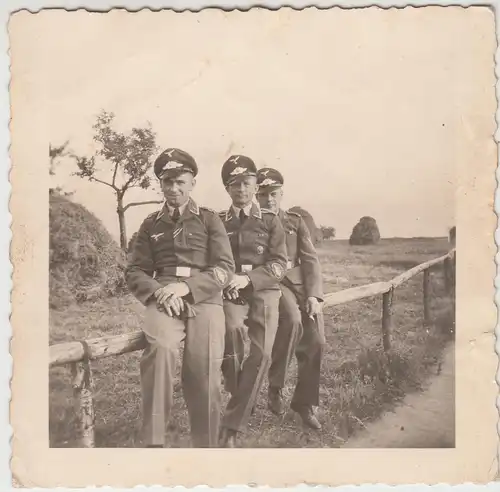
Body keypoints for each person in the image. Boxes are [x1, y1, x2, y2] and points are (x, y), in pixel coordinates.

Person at [126, 148, 235, 448]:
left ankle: (207, 443)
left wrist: (186, 288)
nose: (174, 188)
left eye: (180, 182)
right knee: (160, 349)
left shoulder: (210, 220)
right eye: (167, 181)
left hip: (204, 296)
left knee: (204, 368)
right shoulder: (150, 224)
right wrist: (160, 290)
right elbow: (135, 270)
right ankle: (156, 441)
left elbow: (225, 267)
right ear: (160, 184)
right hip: (163, 297)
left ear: (192, 183)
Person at [218, 155, 288, 447]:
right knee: (231, 332)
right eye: (235, 185)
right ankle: (242, 394)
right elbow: (212, 260)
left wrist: (248, 279)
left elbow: (279, 264)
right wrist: (224, 283)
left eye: (247, 183)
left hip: (263, 291)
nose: (242, 190)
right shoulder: (218, 221)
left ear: (255, 184)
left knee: (261, 354)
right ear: (227, 188)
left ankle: (232, 426)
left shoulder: (271, 221)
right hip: (230, 293)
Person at [256, 167, 325, 430]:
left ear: (282, 193)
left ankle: (304, 404)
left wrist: (315, 295)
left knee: (317, 339)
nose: (269, 200)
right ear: (256, 196)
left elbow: (310, 260)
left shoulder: (295, 222)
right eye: (263, 195)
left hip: (298, 283)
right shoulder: (252, 224)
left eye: (273, 194)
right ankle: (276, 386)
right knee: (293, 320)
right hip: (273, 283)